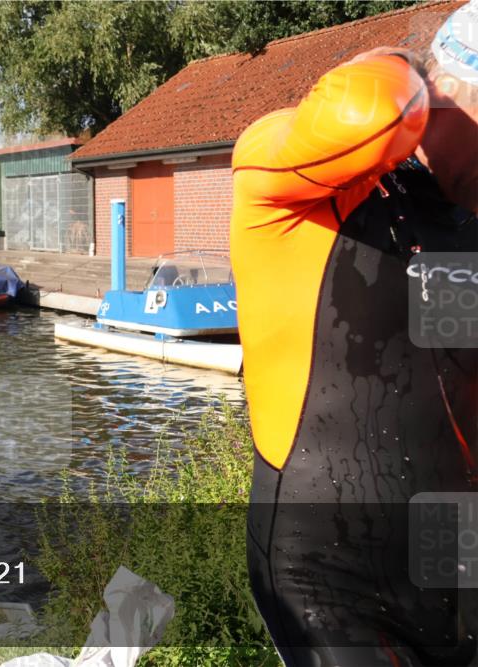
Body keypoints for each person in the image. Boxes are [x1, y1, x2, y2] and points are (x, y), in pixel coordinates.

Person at [231, 2, 477, 664]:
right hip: (331, 577)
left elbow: (447, 381)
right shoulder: (296, 190)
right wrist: (401, 64)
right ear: (444, 91)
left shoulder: (464, 222)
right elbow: (362, 111)